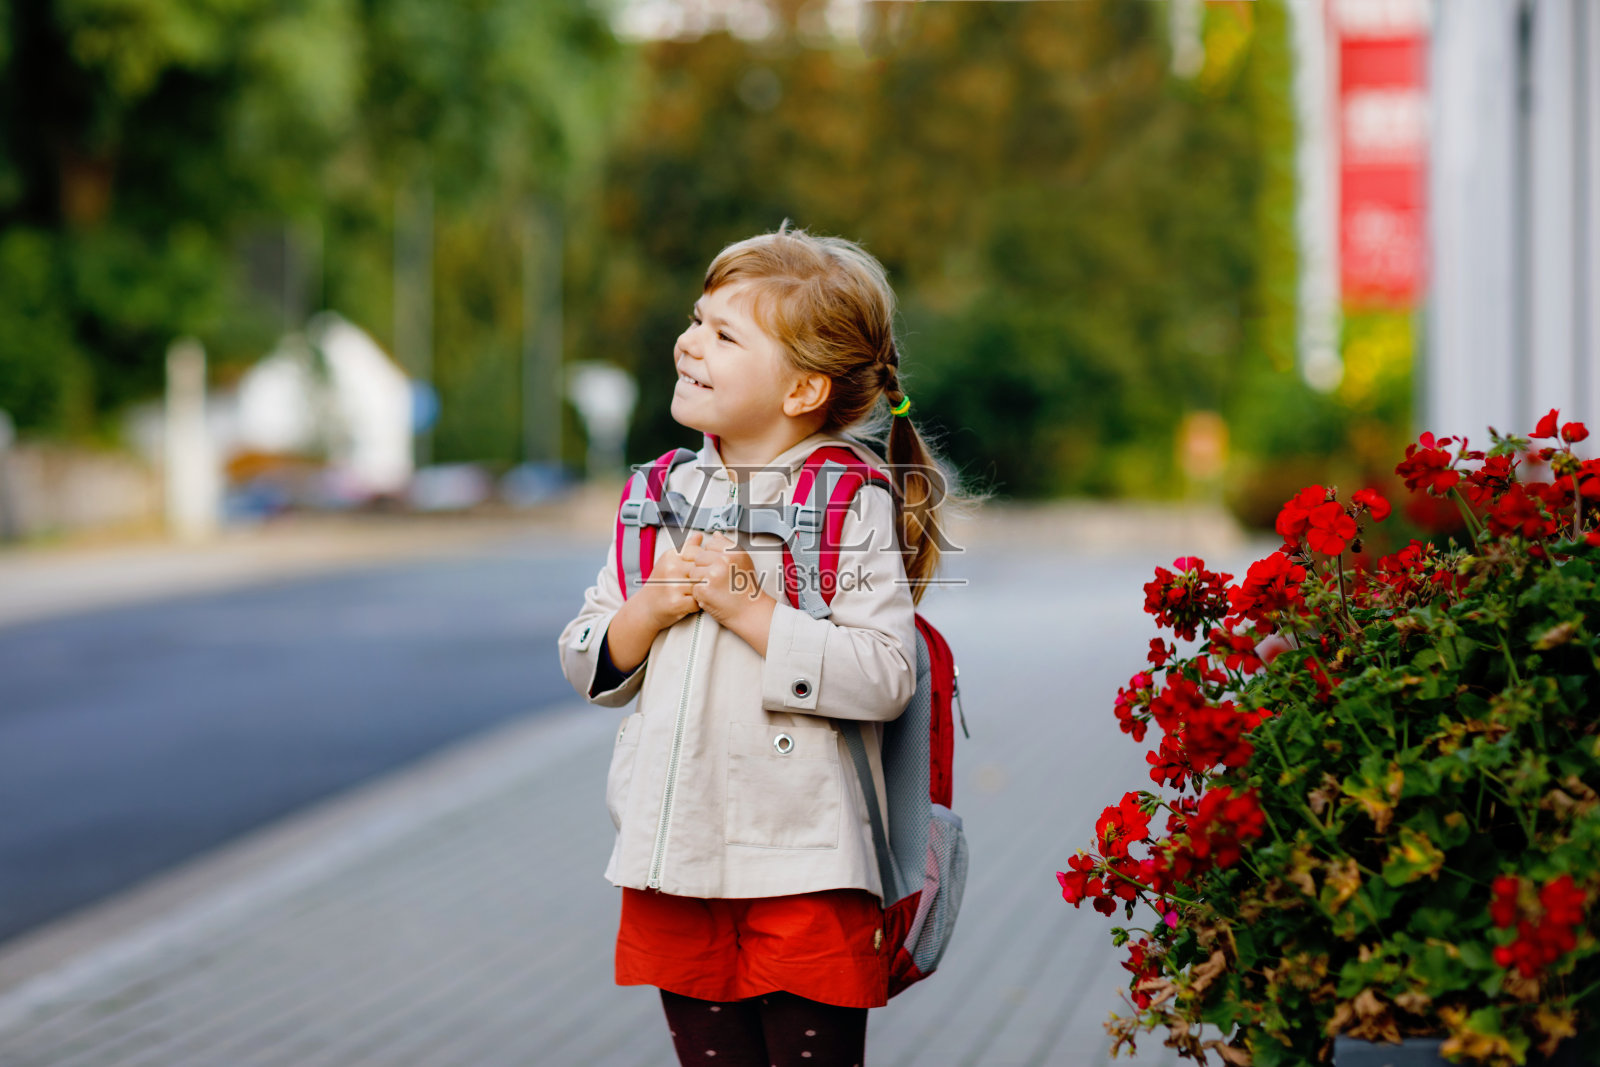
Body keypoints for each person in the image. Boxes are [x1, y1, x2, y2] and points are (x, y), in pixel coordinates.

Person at [557, 225, 956, 1067]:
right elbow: (588, 653)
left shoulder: (848, 503)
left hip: (806, 866)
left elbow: (886, 674)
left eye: (724, 333)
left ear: (804, 387)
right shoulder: (659, 494)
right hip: (678, 857)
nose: (689, 343)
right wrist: (649, 607)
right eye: (696, 320)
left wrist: (754, 611)